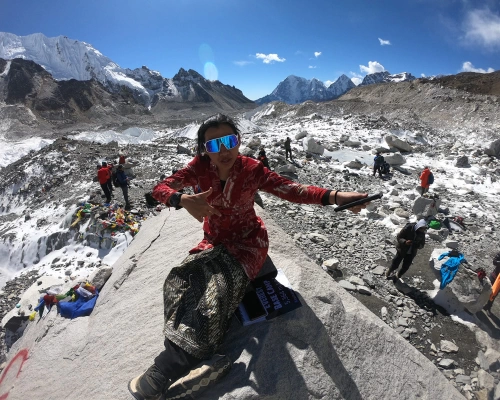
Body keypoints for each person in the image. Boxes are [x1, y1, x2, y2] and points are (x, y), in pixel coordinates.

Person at [128, 114, 369, 400]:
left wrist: (336, 196)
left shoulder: (251, 169)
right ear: (205, 150)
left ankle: (167, 368)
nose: (224, 150)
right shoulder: (199, 168)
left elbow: (291, 190)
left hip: (247, 246)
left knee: (215, 293)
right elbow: (160, 188)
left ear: (238, 141)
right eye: (214, 144)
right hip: (213, 243)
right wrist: (181, 200)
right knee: (180, 281)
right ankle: (201, 356)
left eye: (230, 141)